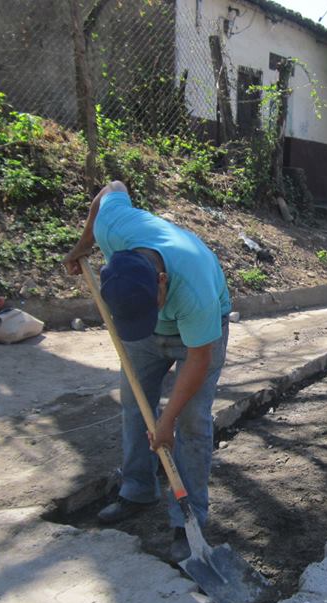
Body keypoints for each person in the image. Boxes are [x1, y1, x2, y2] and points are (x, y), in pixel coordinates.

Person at [64, 180, 231, 561]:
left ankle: (187, 519)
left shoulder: (194, 289)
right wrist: (80, 247)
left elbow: (198, 360)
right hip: (146, 339)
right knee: (133, 404)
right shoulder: (114, 228)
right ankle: (137, 488)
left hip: (200, 335)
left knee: (190, 422)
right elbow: (111, 188)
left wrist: (166, 421)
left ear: (161, 282)